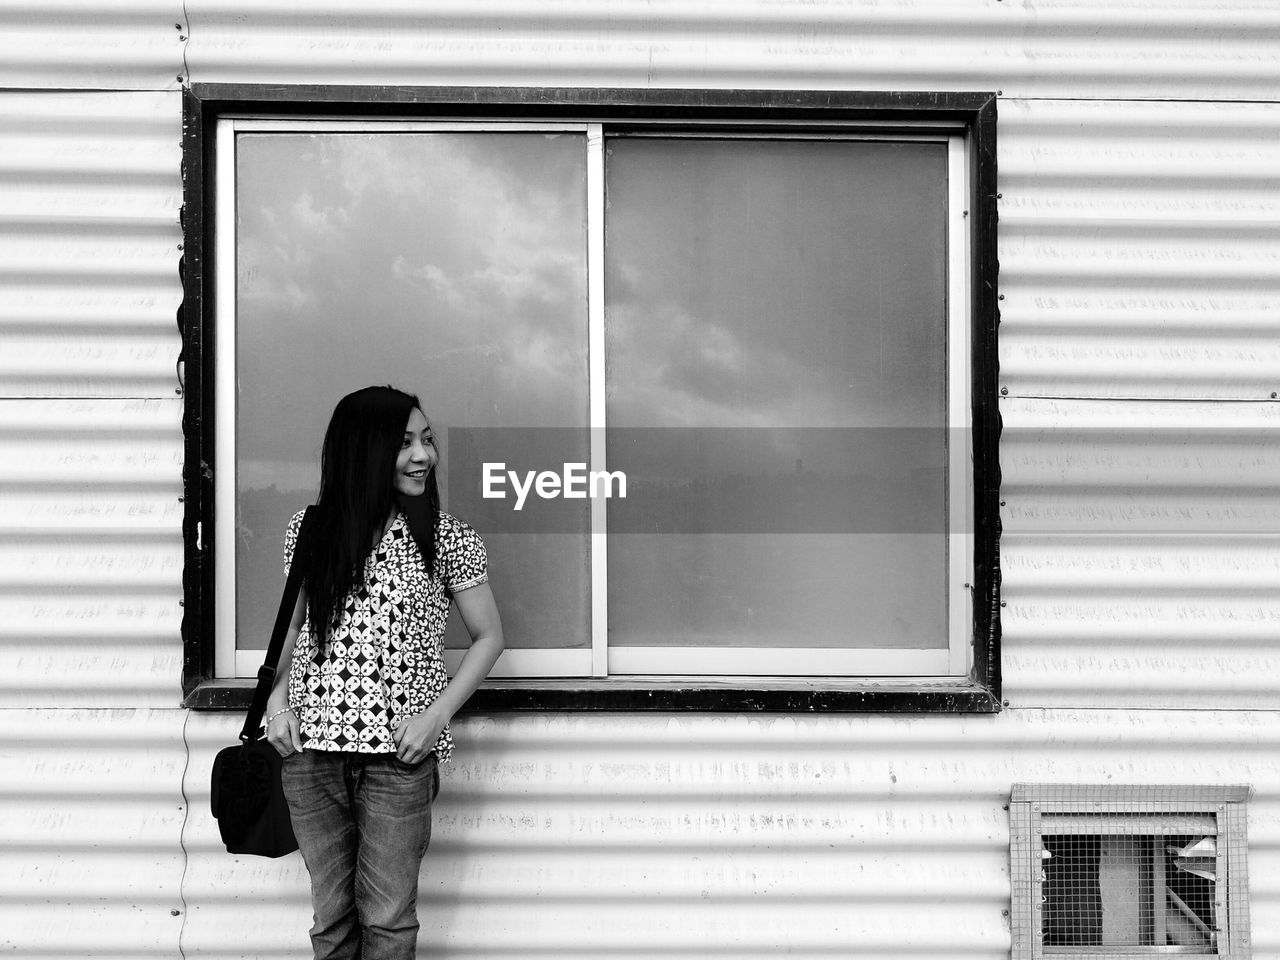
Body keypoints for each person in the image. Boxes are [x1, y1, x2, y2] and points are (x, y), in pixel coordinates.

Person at [263, 385, 504, 960]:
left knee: (389, 918)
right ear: (362, 451)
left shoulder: (446, 537)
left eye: (427, 441)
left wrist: (434, 718)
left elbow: (490, 638)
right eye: (405, 443)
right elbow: (292, 630)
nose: (424, 456)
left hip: (400, 757)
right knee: (332, 919)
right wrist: (277, 705)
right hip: (311, 754)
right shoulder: (312, 529)